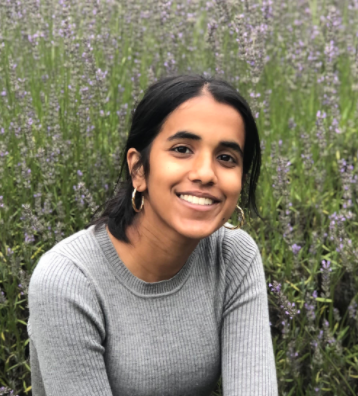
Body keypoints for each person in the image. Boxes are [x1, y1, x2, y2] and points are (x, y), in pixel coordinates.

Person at [27, 74, 278, 395]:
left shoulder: (234, 256)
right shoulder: (67, 281)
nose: (205, 174)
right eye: (183, 149)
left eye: (226, 158)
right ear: (138, 170)